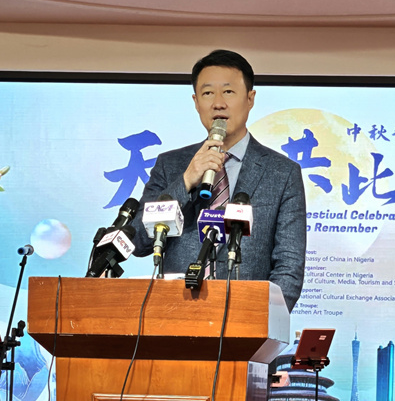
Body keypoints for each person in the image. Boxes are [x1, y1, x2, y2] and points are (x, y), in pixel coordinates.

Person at [131, 49, 306, 312]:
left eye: (228, 91)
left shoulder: (282, 172)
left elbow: (289, 267)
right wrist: (186, 181)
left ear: (250, 99)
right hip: (175, 315)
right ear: (196, 102)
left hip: (246, 319)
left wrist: (259, 319)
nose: (218, 103)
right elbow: (138, 241)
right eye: (208, 93)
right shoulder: (170, 165)